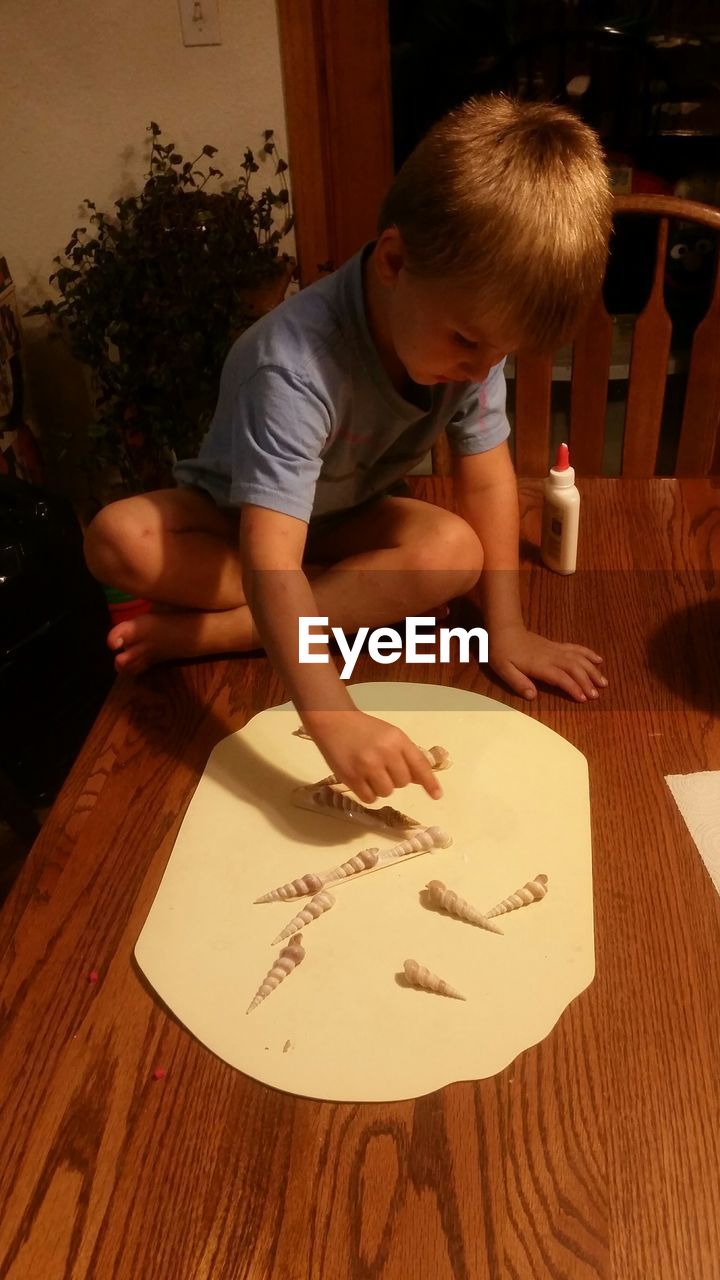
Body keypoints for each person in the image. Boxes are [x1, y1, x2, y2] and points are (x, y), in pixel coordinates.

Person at [84, 94, 612, 804]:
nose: (484, 370)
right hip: (233, 525)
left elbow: (487, 483)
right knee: (117, 539)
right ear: (394, 260)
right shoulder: (293, 365)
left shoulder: (472, 339)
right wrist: (333, 713)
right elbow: (271, 560)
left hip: (344, 520)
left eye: (503, 353)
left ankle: (214, 634)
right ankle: (277, 618)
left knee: (457, 553)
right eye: (468, 344)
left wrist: (507, 631)